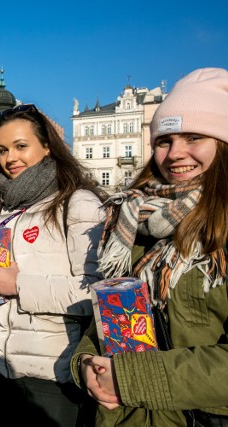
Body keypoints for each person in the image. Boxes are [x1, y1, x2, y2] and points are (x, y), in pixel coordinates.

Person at [73, 68, 228, 426]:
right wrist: (85, 363)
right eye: (164, 140)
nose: (176, 153)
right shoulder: (131, 219)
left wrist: (131, 378)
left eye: (194, 137)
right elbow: (108, 319)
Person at [0, 104, 105, 426]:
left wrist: (18, 284)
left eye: (21, 146)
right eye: (2, 150)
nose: (10, 158)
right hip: (3, 367)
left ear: (47, 147)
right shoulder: (3, 209)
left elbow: (95, 290)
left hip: (54, 373)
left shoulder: (78, 202)